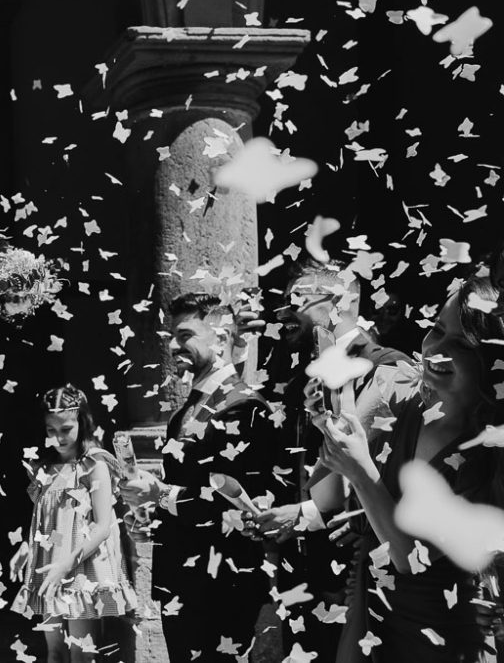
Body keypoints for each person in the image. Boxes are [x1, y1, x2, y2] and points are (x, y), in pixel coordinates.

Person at [318, 276, 504, 661]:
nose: (436, 349)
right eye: (437, 329)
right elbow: (323, 494)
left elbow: (410, 558)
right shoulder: (396, 387)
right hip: (373, 619)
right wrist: (336, 413)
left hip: (446, 636)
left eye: (461, 344)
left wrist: (360, 472)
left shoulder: (488, 454)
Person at [246, 261, 409, 661]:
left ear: (340, 301)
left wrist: (311, 515)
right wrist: (294, 515)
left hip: (364, 569)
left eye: (296, 301)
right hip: (308, 568)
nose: (283, 314)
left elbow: (385, 477)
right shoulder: (308, 373)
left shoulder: (387, 366)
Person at [119, 293, 278, 662]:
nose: (174, 345)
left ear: (221, 339)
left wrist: (158, 494)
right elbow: (185, 488)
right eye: (172, 335)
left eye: (186, 334)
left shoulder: (244, 406)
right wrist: (149, 517)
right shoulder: (185, 411)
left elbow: (233, 505)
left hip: (223, 584)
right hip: (180, 582)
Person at [8, 384, 138, 663]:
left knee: (82, 654)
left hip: (81, 572)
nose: (58, 437)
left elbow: (103, 526)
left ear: (83, 422)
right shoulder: (44, 469)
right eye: (50, 430)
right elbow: (52, 525)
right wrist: (28, 546)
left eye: (66, 429)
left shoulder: (93, 465)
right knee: (54, 652)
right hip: (51, 567)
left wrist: (66, 564)